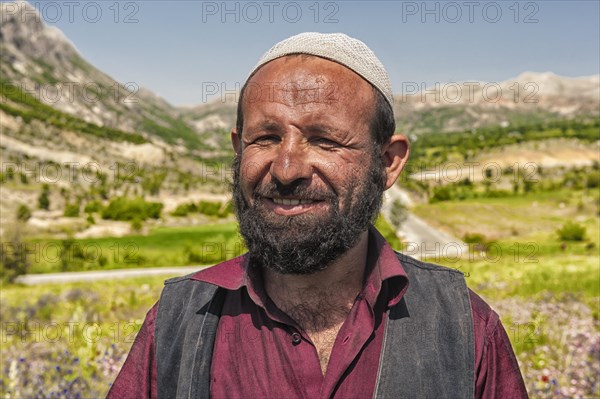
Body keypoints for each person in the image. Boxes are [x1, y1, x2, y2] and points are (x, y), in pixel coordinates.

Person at [108, 32, 528, 399]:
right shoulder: (179, 320)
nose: (287, 168)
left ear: (388, 163)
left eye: (325, 140)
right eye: (266, 138)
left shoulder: (465, 329)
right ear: (238, 150)